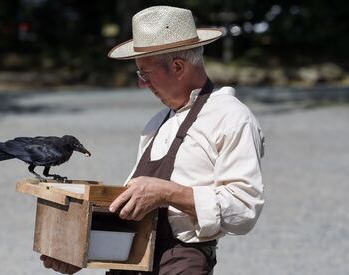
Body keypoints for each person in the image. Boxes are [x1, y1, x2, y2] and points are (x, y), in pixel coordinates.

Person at [40, 5, 265, 275]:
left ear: (178, 66)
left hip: (180, 263)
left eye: (145, 75)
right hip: (129, 263)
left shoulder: (231, 117)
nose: (142, 84)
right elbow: (132, 208)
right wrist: (82, 250)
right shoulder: (157, 122)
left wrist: (166, 193)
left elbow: (243, 210)